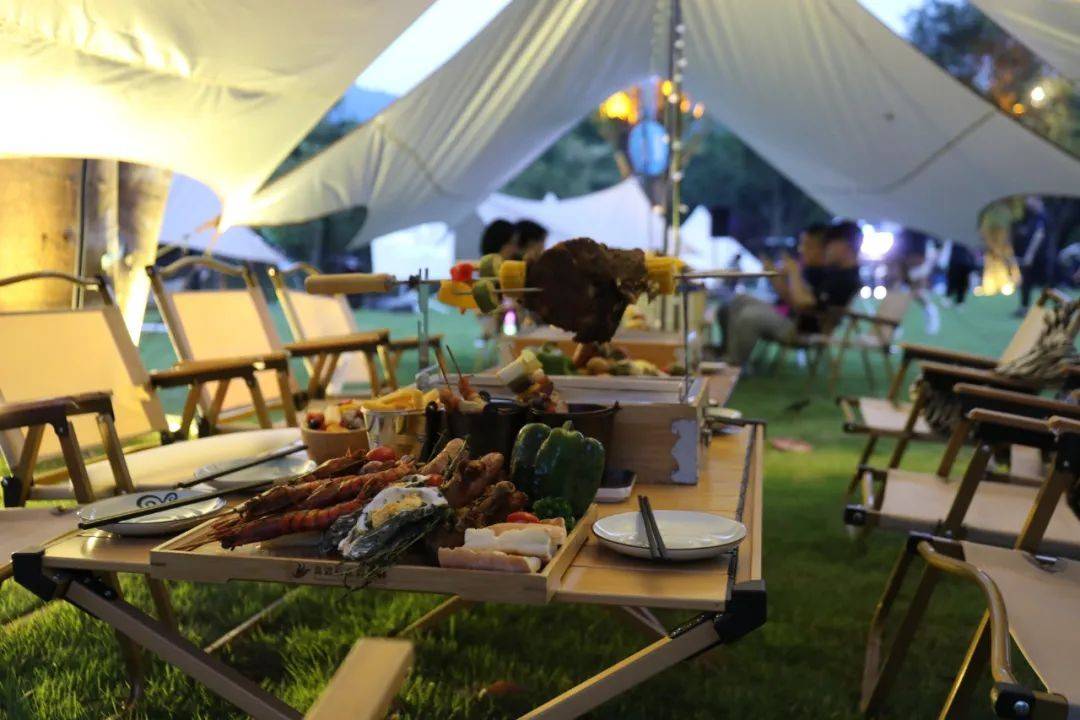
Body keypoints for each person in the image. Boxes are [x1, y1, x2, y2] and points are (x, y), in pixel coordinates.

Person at [717, 221, 862, 366]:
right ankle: (724, 353)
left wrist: (794, 272)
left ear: (844, 246)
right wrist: (781, 276)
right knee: (738, 301)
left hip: (802, 329)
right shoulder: (834, 272)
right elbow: (797, 300)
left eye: (830, 244)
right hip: (792, 318)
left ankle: (733, 364)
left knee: (749, 316)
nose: (827, 249)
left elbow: (803, 304)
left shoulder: (846, 279)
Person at [1012, 196, 1050, 315]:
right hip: (1030, 257)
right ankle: (1025, 308)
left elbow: (1039, 236)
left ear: (1037, 200)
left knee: (1044, 284)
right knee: (1026, 282)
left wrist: (1030, 255)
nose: (1027, 202)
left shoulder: (1042, 217)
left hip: (1039, 257)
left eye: (1030, 199)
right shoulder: (1031, 217)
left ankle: (1047, 310)